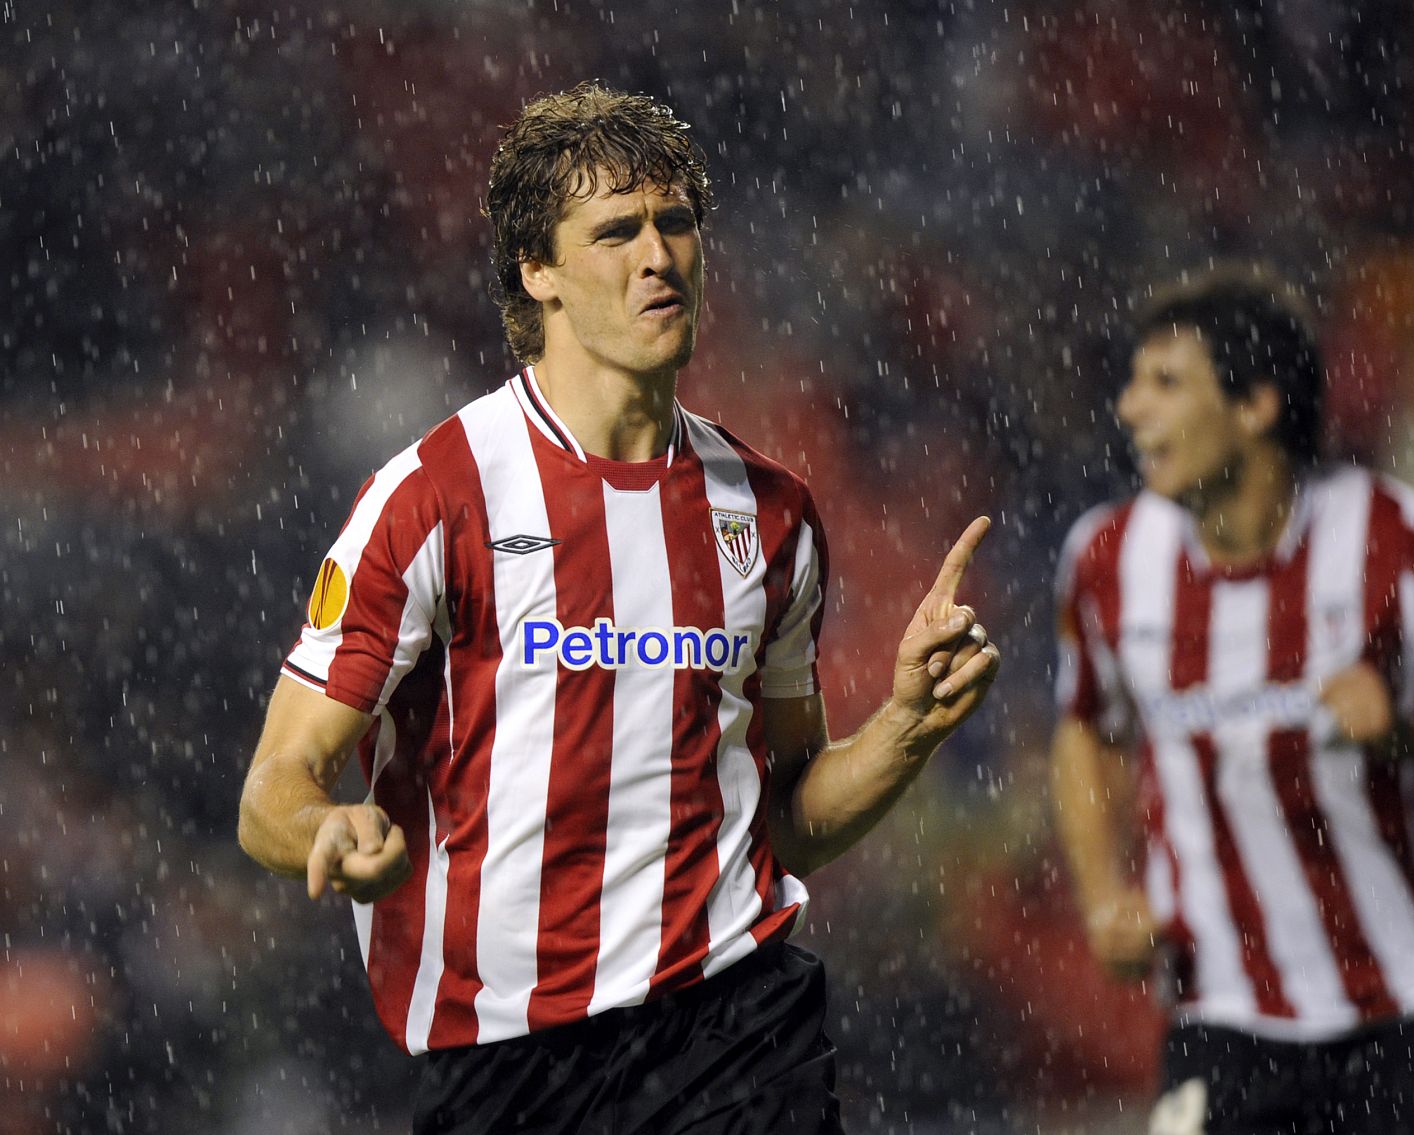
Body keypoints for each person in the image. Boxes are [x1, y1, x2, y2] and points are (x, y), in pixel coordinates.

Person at [237, 82, 1000, 1135]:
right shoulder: (432, 497)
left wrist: (908, 724)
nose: (658, 256)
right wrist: (326, 825)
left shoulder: (771, 514)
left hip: (735, 1027)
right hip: (508, 1058)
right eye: (615, 231)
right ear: (536, 270)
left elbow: (785, 822)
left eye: (674, 223)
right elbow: (272, 787)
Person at [1049, 268, 1414, 1135]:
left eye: (1166, 382)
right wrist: (1103, 893)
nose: (1131, 408)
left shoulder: (1391, 536)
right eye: (1133, 383)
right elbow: (1087, 728)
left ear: (1256, 405)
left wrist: (1407, 737)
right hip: (1224, 1019)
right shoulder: (1108, 558)